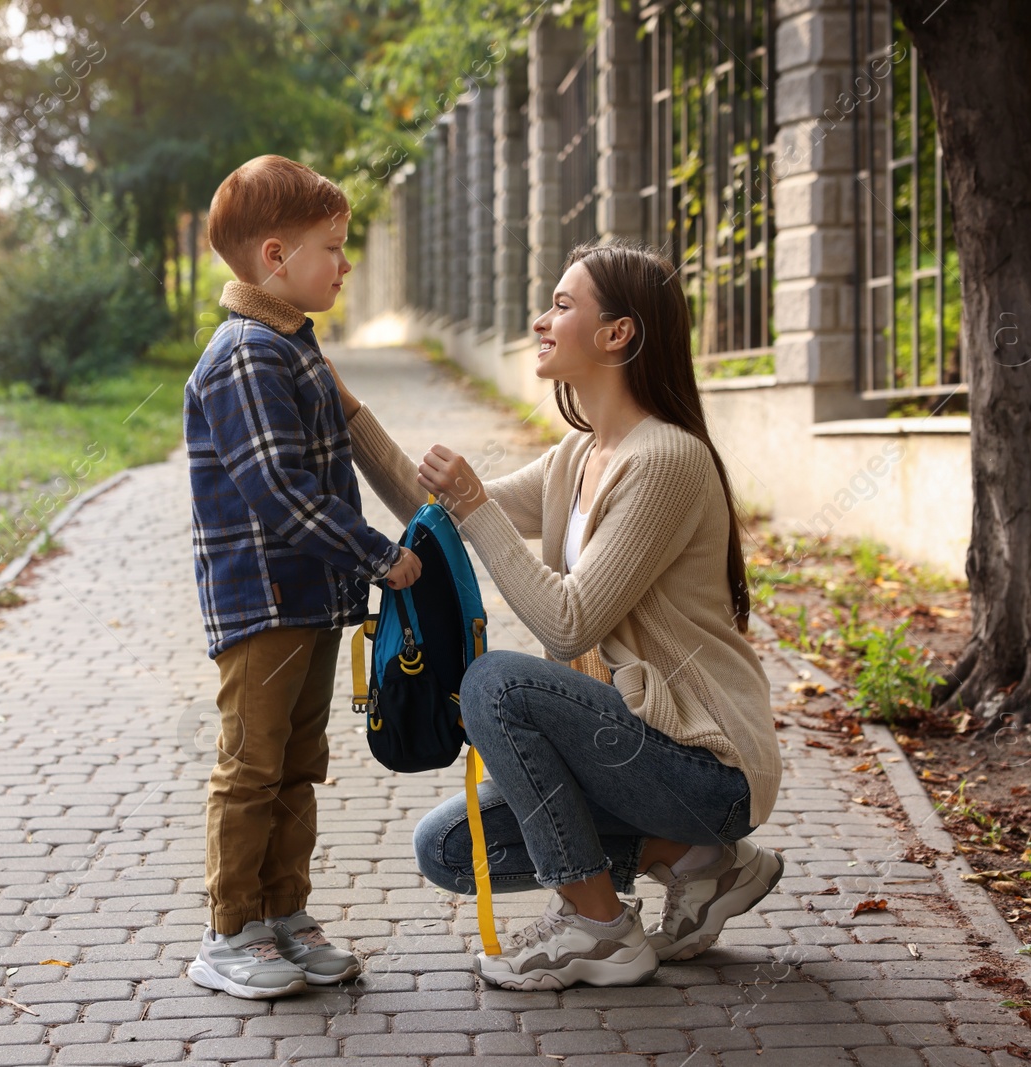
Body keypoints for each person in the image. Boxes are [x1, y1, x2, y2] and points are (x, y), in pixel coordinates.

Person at [327, 241, 785, 992]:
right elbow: (432, 515)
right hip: (636, 751)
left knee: (496, 686)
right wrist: (344, 407)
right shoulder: (578, 456)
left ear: (618, 334)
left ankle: (601, 928)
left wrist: (475, 503)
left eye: (563, 305)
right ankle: (699, 861)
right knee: (448, 847)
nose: (541, 320)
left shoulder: (666, 460)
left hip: (707, 765)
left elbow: (568, 624)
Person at [182, 154, 421, 999]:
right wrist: (379, 556)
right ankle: (230, 928)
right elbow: (280, 491)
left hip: (310, 602)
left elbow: (347, 445)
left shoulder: (290, 342)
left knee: (298, 763)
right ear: (276, 256)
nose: (346, 262)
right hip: (263, 604)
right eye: (333, 246)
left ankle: (283, 914)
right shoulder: (246, 354)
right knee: (250, 766)